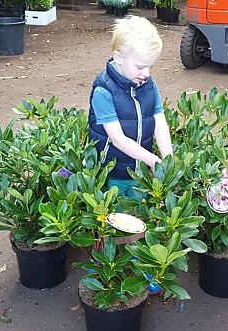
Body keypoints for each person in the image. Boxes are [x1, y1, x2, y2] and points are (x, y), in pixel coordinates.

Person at [88, 15, 173, 200]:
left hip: (140, 171)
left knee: (140, 217)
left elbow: (159, 122)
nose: (147, 74)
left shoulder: (149, 85)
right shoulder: (103, 91)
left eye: (150, 67)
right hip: (113, 173)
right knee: (118, 222)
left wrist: (168, 160)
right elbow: (118, 140)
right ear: (118, 57)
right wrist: (155, 161)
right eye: (141, 67)